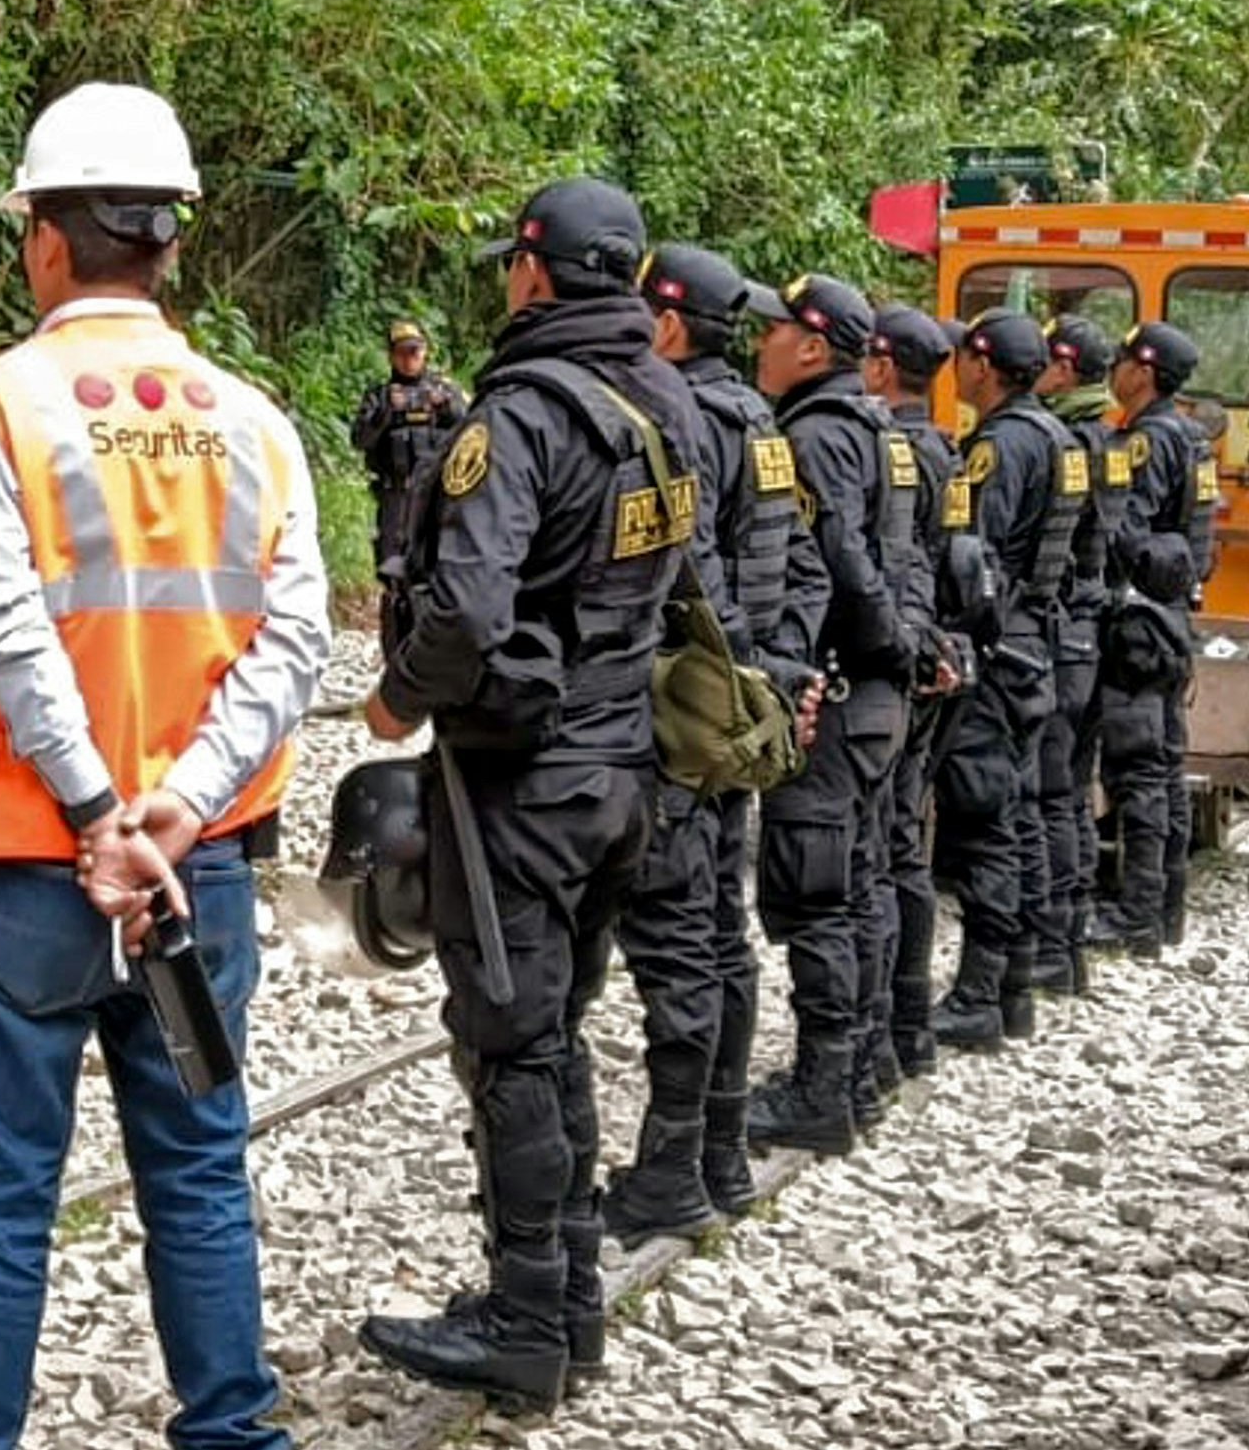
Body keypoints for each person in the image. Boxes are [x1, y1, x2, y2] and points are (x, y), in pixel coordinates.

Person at [0, 81, 329, 1450]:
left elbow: (4, 624)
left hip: (37, 870)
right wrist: (181, 805)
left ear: (42, 237)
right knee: (199, 1171)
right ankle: (232, 1430)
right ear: (170, 241)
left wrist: (100, 813)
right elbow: (298, 638)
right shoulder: (257, 421)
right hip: (197, 874)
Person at [358, 176, 705, 1408]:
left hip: (521, 782)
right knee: (556, 1031)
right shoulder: (666, 396)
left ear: (531, 268)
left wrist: (395, 700)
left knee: (509, 1042)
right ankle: (569, 1303)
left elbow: (465, 608)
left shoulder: (516, 415)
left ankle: (521, 1323)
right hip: (623, 771)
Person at [601, 243, 811, 1244]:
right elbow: (796, 560)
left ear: (669, 324)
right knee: (721, 935)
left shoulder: (679, 419)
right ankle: (719, 1153)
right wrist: (774, 678)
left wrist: (714, 677)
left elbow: (691, 574)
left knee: (680, 942)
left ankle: (672, 1169)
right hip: (737, 716)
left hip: (689, 720)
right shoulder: (761, 421)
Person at [738, 272, 922, 1153]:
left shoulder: (811, 437)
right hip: (880, 695)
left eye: (774, 331)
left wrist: (871, 645)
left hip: (840, 692)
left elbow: (840, 565)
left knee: (817, 894)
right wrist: (909, 644)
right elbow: (910, 557)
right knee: (865, 880)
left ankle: (824, 1088)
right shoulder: (883, 431)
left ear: (812, 347)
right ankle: (864, 1066)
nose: (759, 343)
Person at [930, 309, 1080, 1047]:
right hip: (1037, 646)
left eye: (963, 356)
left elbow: (973, 560)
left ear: (983, 365)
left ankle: (980, 995)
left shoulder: (1000, 445)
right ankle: (1015, 984)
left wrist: (959, 641)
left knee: (985, 823)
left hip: (998, 653)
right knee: (1018, 817)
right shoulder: (1059, 437)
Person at [863, 302, 963, 1085]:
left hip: (902, 654)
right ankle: (910, 1025)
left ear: (881, 365)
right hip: (935, 650)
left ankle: (890, 1031)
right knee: (906, 842)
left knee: (885, 846)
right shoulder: (945, 453)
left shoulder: (891, 450)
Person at [1095, 322, 1216, 957]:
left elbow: (1125, 533)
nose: (1113, 372)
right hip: (1173, 621)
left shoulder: (1147, 440)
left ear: (1141, 371)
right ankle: (1167, 910)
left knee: (1138, 772)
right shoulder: (1194, 438)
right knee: (1166, 770)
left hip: (1137, 624)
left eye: (1120, 361)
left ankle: (1136, 916)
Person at [1033, 316, 1121, 994]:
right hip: (1093, 627)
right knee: (1072, 790)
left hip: (1064, 631)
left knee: (1051, 793)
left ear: (1063, 369)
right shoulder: (1108, 439)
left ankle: (1054, 944)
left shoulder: (1064, 441)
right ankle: (1071, 937)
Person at [353, 320, 469, 582]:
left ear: (425, 351)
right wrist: (386, 413)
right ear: (391, 356)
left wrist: (445, 408)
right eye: (402, 353)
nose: (409, 359)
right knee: (391, 564)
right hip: (396, 493)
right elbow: (360, 440)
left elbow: (473, 427)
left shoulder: (445, 390)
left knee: (439, 560)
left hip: (438, 492)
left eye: (414, 352)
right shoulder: (379, 396)